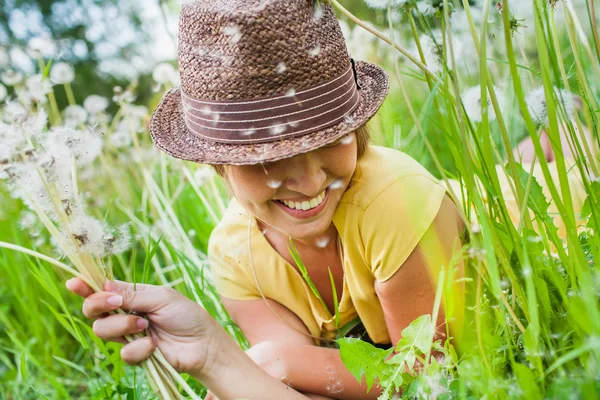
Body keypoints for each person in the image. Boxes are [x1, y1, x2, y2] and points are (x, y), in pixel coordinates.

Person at [67, 0, 594, 399]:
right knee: (530, 159)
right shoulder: (235, 253)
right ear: (215, 161)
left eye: (328, 139)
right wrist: (222, 358)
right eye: (263, 157)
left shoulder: (392, 198)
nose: (307, 179)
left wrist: (275, 361)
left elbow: (433, 375)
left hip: (555, 213)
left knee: (562, 165)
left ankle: (570, 129)